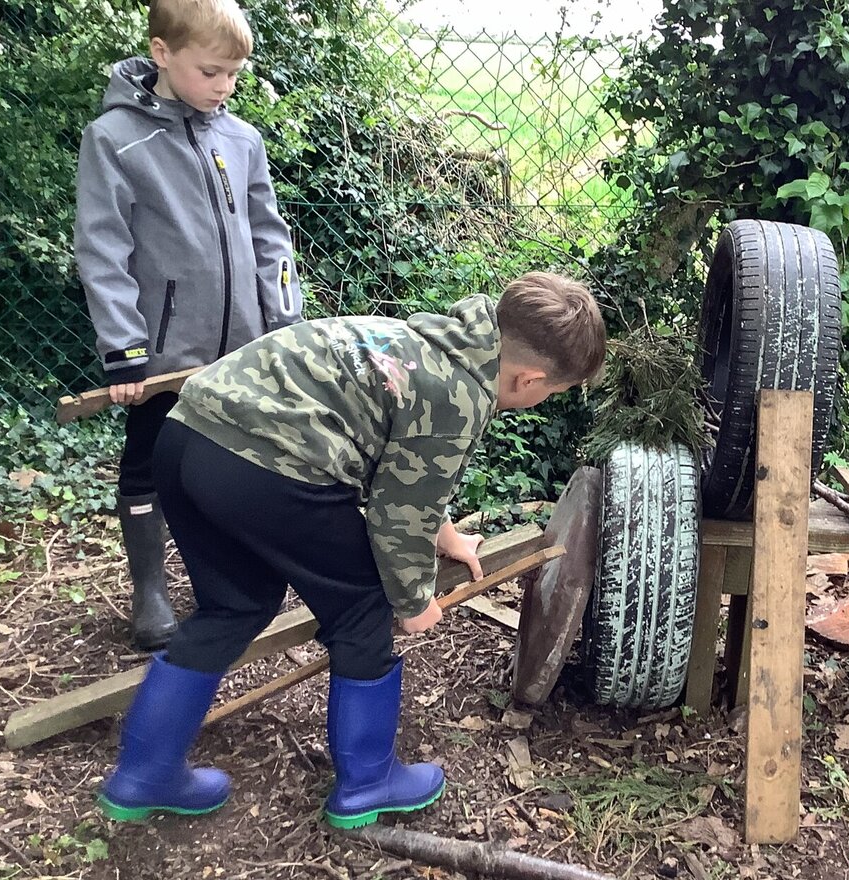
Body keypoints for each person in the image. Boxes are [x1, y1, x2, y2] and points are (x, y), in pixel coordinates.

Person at [96, 273, 606, 830]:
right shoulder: (460, 394)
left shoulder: (427, 341)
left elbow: (402, 470)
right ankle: (368, 781)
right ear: (530, 378)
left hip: (186, 439)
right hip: (271, 467)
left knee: (234, 605)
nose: (541, 399)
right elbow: (395, 518)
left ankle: (144, 774)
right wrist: (413, 603)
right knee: (364, 603)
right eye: (550, 392)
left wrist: (446, 534)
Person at [75, 0, 302, 650]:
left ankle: (230, 575)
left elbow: (270, 238)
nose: (223, 87)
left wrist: (283, 321)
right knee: (147, 460)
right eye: (211, 72)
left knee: (238, 456)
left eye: (233, 74)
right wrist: (124, 350)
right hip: (166, 354)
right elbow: (103, 249)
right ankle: (149, 588)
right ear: (162, 52)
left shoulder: (242, 139)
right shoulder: (116, 140)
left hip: (245, 351)